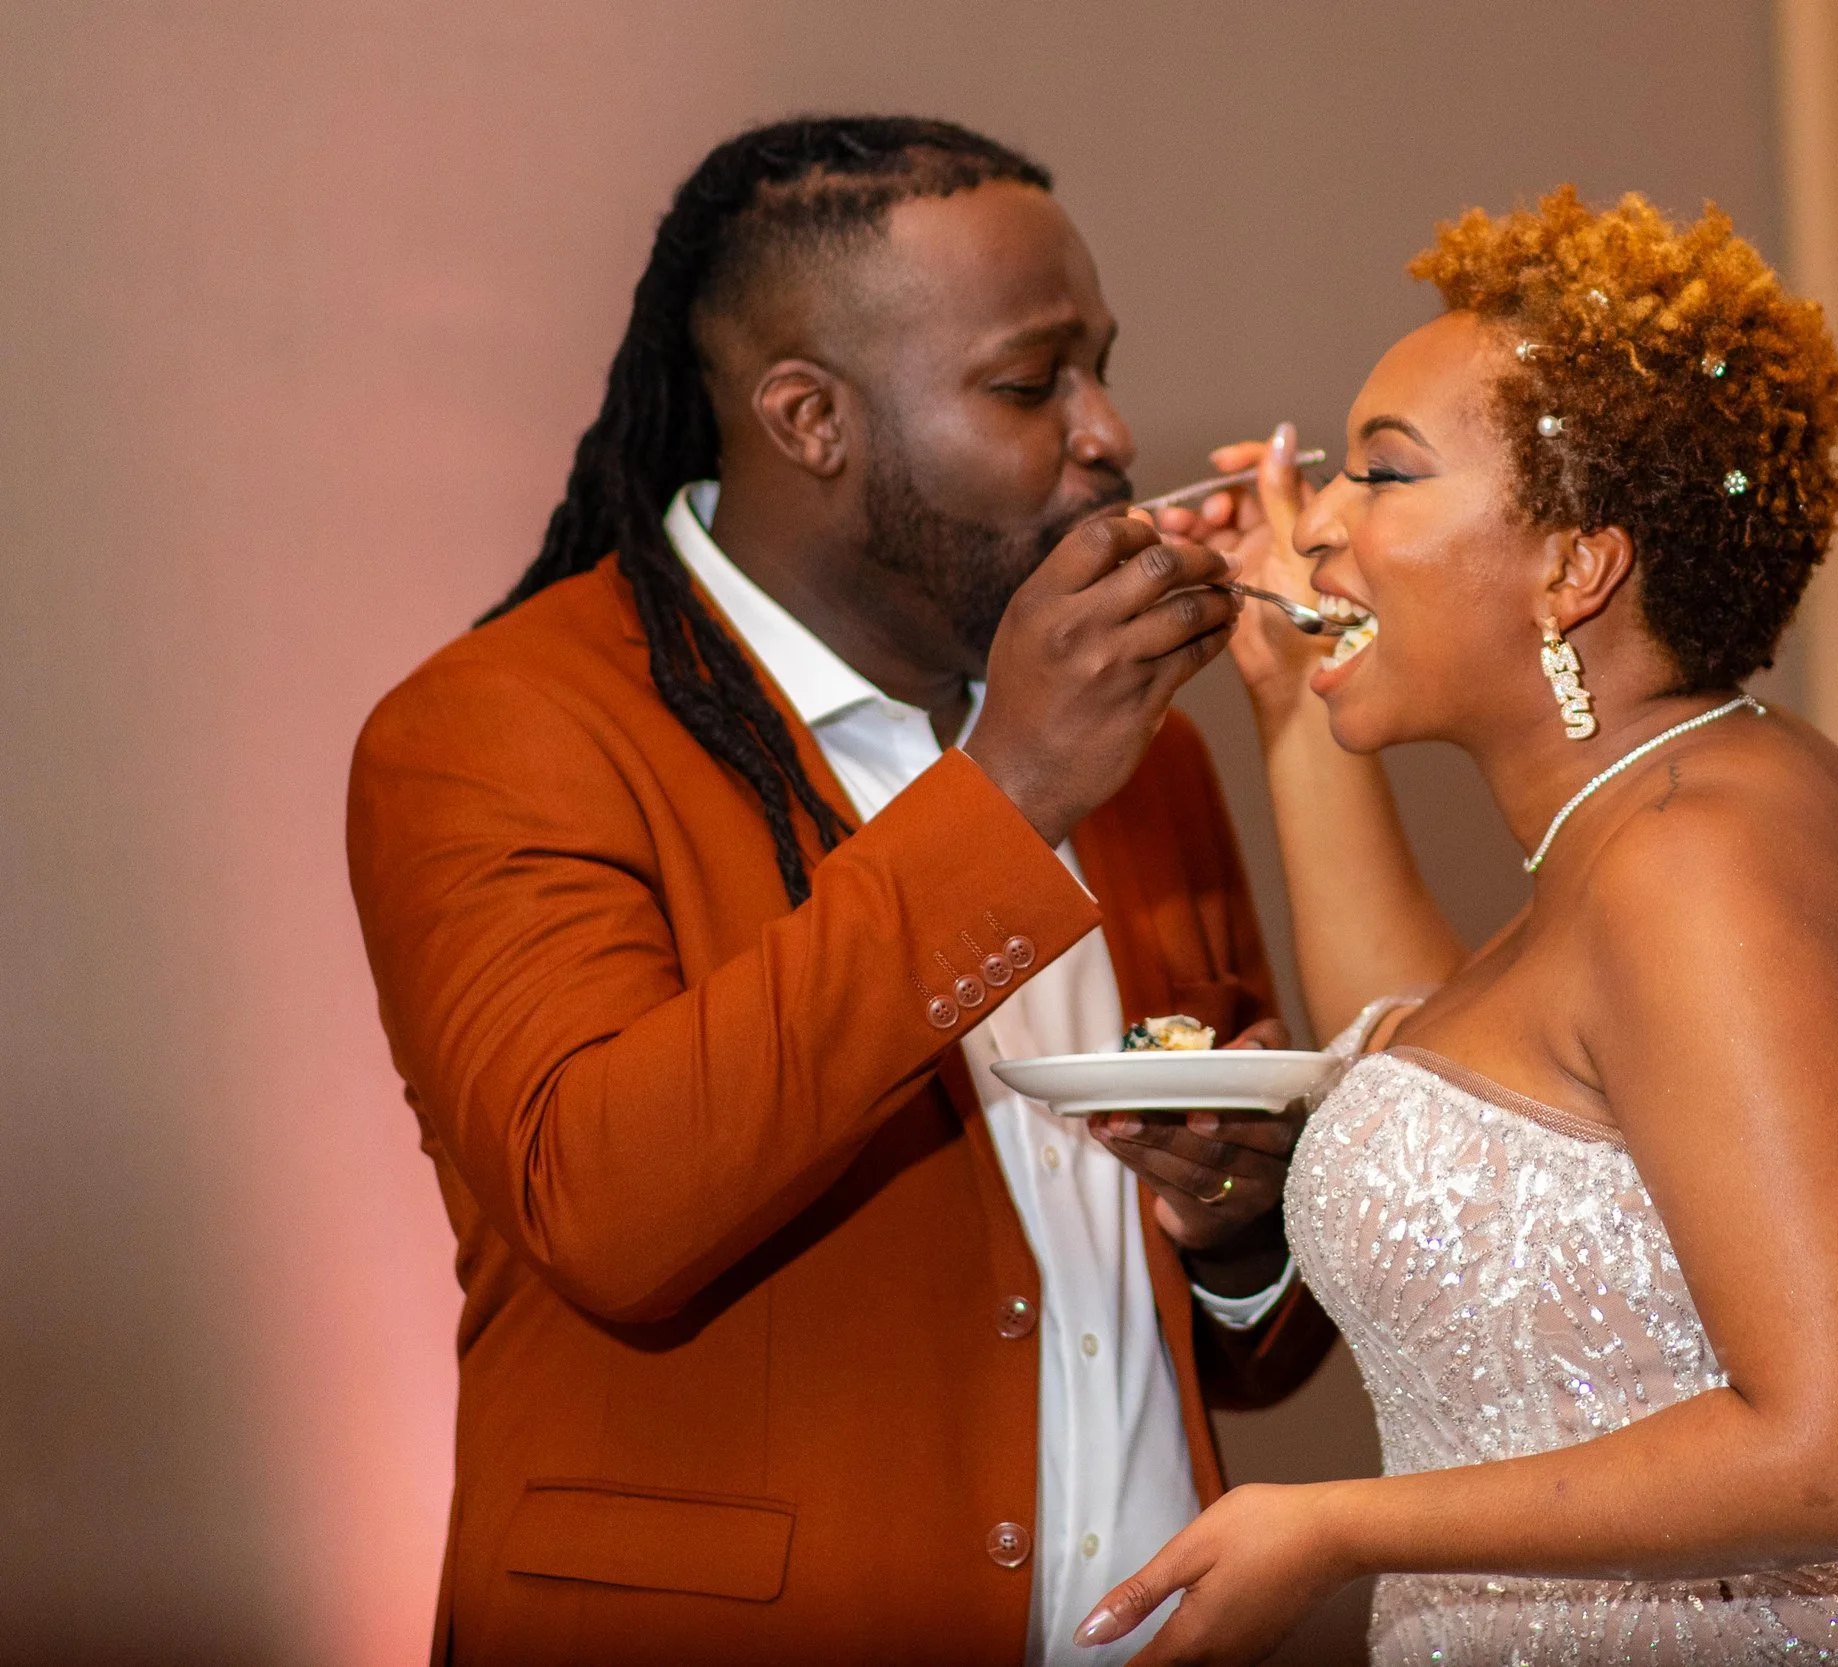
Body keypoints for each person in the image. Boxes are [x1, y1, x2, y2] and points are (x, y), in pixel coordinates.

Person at [344, 116, 1334, 1666]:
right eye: (1032, 383)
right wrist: (1008, 793)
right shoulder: (498, 727)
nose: (1109, 431)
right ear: (811, 417)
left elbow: (1250, 1348)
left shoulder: (1149, 755)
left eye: (1100, 368)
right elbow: (604, 1205)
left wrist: (1236, 1220)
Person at [1077, 190, 1838, 1665]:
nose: (1322, 520)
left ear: (1574, 567)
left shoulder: (1698, 861)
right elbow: (1442, 1059)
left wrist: (1337, 1527)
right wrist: (1292, 692)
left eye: (1383, 473)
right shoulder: (1664, 815)